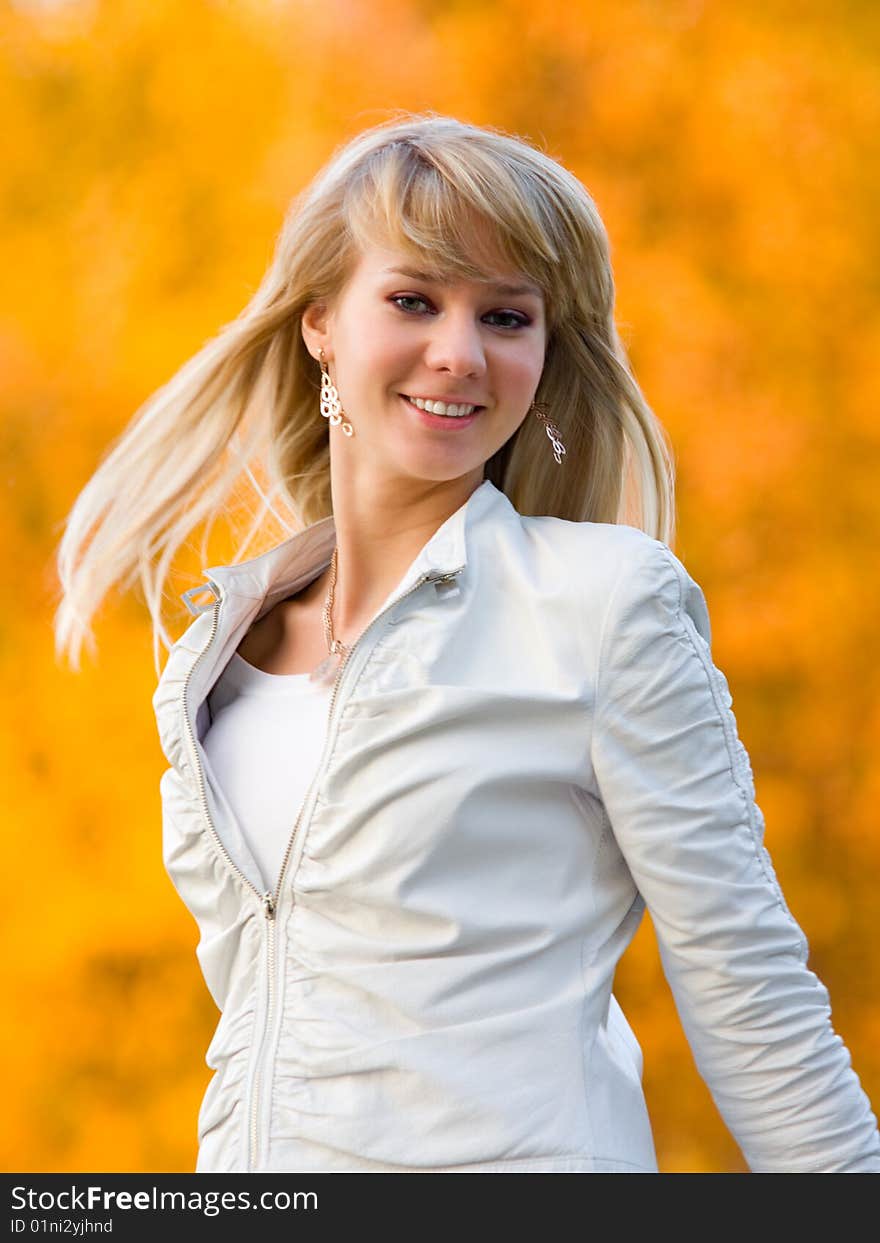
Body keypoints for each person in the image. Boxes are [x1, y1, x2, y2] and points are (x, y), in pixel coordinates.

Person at [53, 112, 880, 1174]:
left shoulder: (602, 605)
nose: (458, 353)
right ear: (320, 323)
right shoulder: (217, 654)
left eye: (506, 316)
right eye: (412, 300)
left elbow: (745, 983)